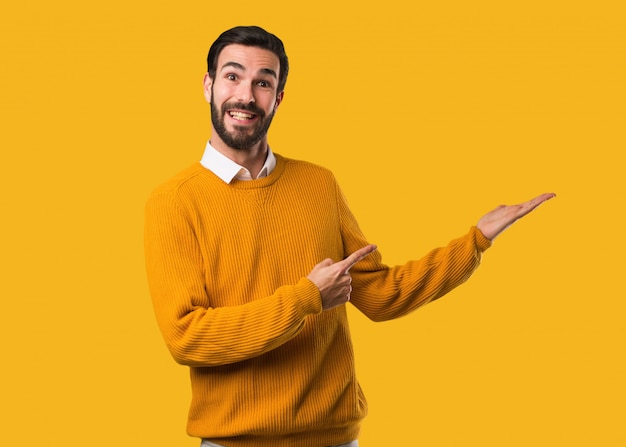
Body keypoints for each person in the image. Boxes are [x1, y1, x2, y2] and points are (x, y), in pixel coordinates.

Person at [144, 25, 555, 447]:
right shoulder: (174, 202)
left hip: (336, 440)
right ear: (209, 85)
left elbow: (379, 295)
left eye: (262, 82)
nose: (246, 96)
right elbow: (187, 337)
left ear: (278, 98)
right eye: (232, 77)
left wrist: (476, 240)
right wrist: (307, 297)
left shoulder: (318, 184)